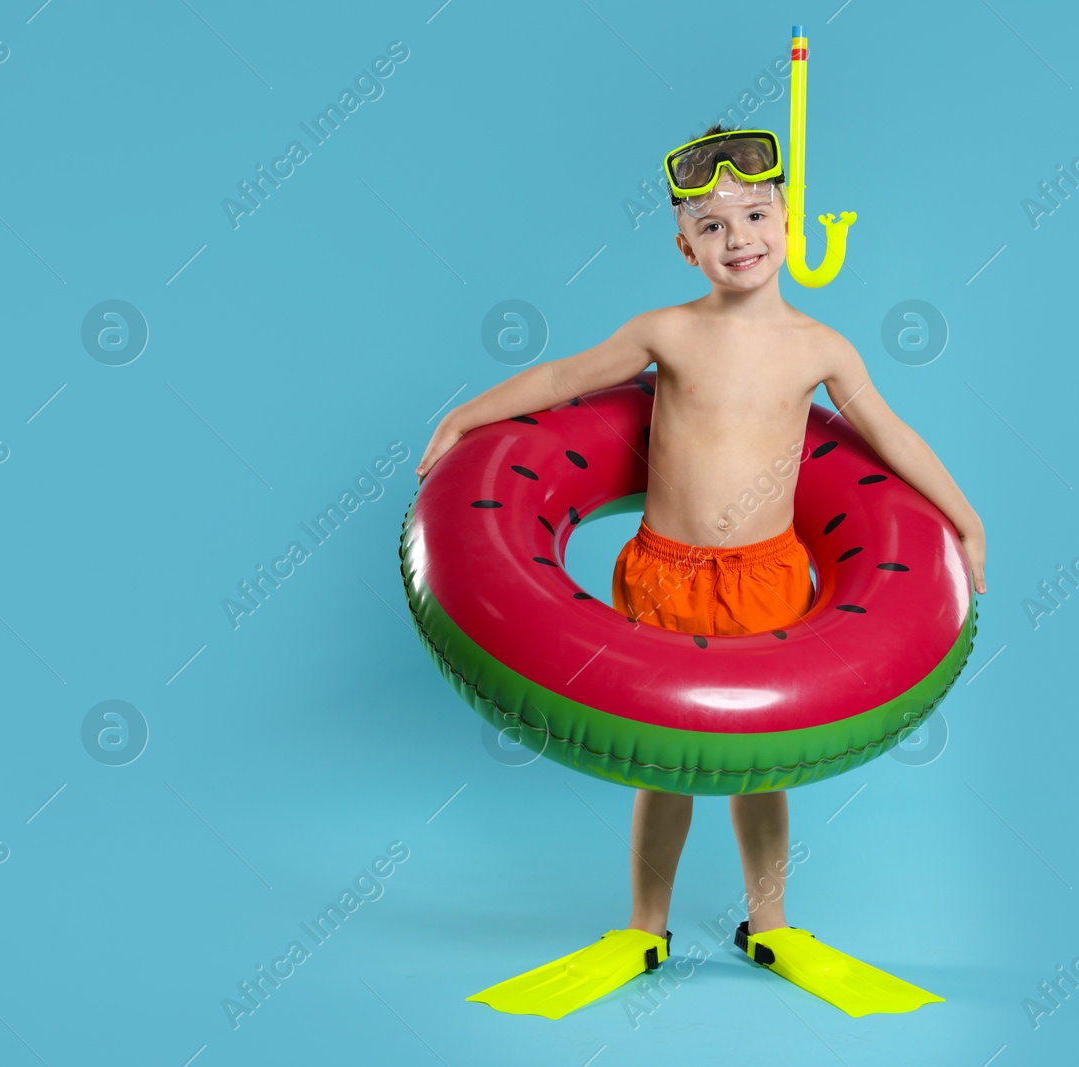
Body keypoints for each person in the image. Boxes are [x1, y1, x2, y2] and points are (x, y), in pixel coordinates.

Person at [416, 124, 987, 1018]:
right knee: (663, 762)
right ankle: (646, 925)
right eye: (713, 227)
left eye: (756, 215)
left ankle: (770, 922)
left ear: (792, 224)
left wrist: (964, 516)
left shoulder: (821, 349)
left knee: (765, 769)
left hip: (766, 575)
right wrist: (465, 415)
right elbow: (568, 375)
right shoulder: (666, 332)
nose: (740, 239)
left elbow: (886, 433)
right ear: (685, 246)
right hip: (663, 572)